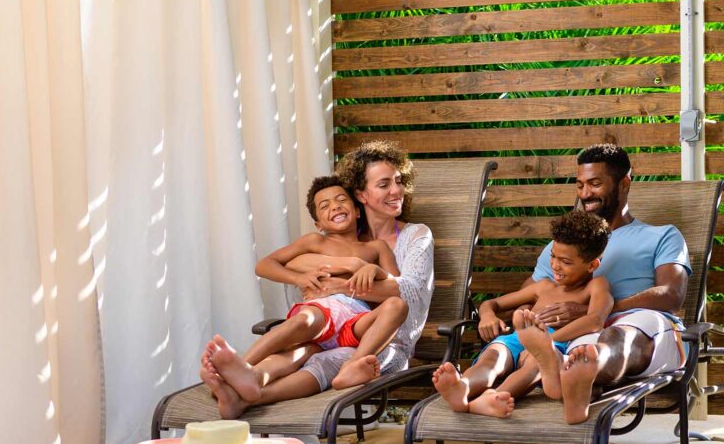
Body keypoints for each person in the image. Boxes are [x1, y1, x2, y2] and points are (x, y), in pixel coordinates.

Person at [198, 141, 434, 417]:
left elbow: (408, 290)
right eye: (384, 184)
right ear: (361, 195)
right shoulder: (335, 242)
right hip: (330, 326)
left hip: (381, 340)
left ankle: (250, 395)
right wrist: (349, 264)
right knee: (301, 351)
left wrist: (347, 281)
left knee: (322, 358)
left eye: (398, 181)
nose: (396, 190)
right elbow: (290, 263)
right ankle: (241, 377)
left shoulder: (413, 236)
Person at [523, 143, 691, 423]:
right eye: (579, 185)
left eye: (595, 184)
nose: (585, 194)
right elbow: (529, 295)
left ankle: (576, 371)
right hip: (578, 336)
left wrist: (598, 312)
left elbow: (672, 294)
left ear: (624, 183)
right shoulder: (563, 247)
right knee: (581, 348)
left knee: (616, 336)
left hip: (644, 327)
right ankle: (576, 376)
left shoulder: (662, 235)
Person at [432, 210, 613, 421]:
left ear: (592, 265)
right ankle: (463, 387)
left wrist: (546, 341)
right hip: (516, 338)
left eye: (565, 261)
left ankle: (493, 397)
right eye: (553, 256)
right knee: (493, 358)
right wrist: (488, 316)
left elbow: (595, 320)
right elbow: (492, 303)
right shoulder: (543, 286)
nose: (555, 265)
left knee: (536, 365)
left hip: (551, 344)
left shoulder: (596, 286)